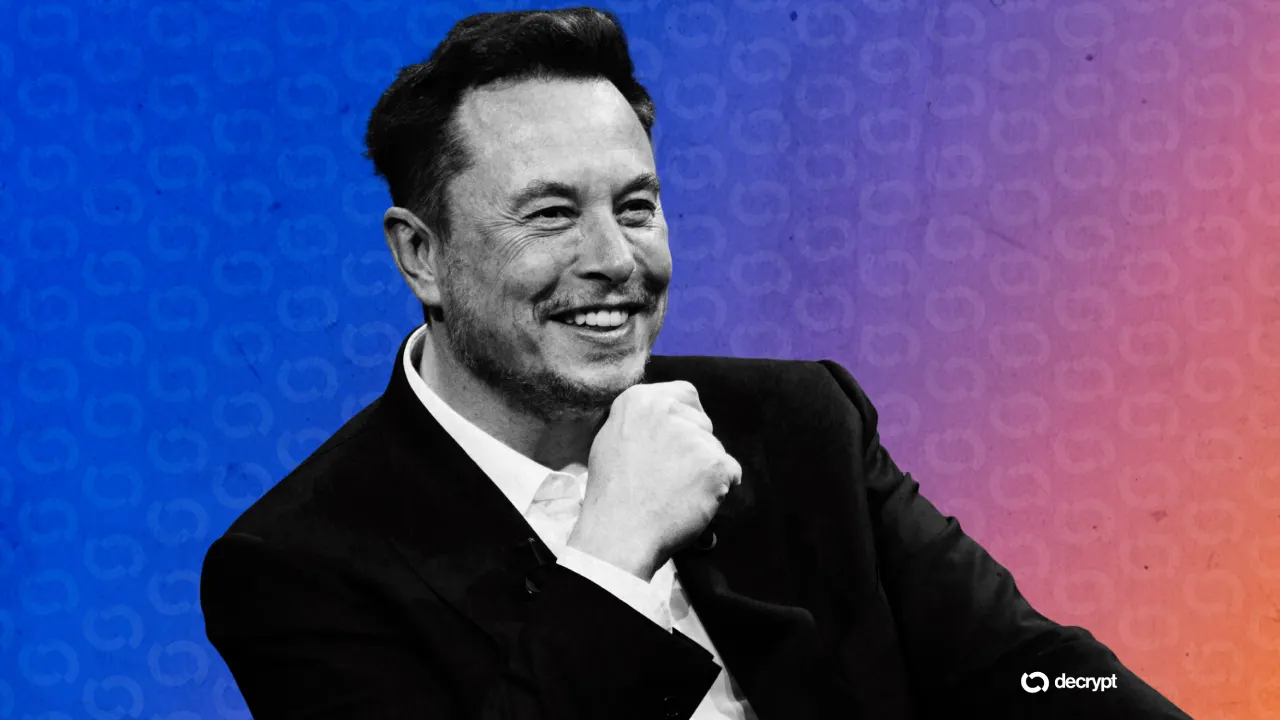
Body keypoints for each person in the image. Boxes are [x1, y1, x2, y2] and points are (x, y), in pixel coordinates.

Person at [200, 7, 1191, 719]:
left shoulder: (799, 419)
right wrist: (611, 555)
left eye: (635, 206)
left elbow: (1030, 668)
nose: (614, 259)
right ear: (421, 254)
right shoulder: (297, 568)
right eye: (551, 214)